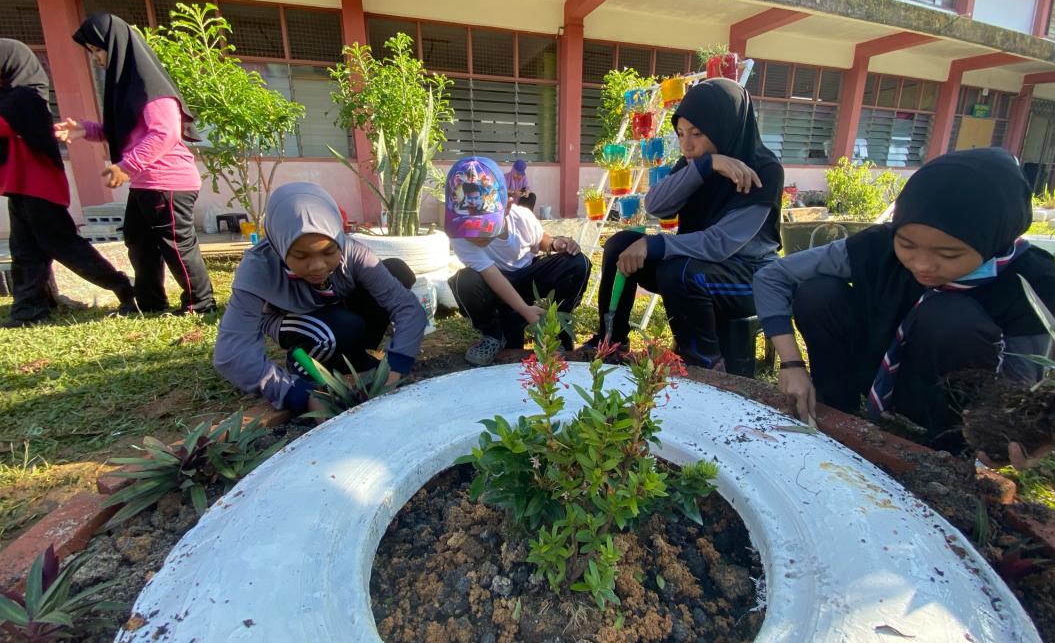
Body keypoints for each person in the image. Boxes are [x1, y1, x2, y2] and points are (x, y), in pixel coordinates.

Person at [754, 147, 1055, 452]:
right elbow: (772, 276)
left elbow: (1022, 379)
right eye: (906, 245)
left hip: (947, 395)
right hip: (871, 363)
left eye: (948, 254)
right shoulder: (879, 245)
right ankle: (836, 410)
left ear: (995, 239)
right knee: (817, 292)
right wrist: (792, 364)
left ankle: (947, 444)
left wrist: (1003, 431)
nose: (922, 265)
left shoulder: (1032, 279)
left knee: (950, 316)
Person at [584, 78, 784, 369]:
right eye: (680, 134)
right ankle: (612, 342)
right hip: (700, 266)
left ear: (724, 126)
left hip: (750, 277)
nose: (687, 145)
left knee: (678, 271)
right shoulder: (696, 162)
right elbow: (655, 205)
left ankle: (705, 365)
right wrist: (706, 166)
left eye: (697, 134)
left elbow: (720, 244)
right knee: (620, 245)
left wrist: (656, 244)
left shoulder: (764, 169)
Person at [213, 182, 425, 413]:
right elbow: (232, 353)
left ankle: (354, 359)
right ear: (280, 245)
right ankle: (303, 365)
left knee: (396, 270)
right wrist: (296, 394)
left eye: (328, 252)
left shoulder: (353, 253)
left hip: (337, 310)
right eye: (301, 256)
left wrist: (395, 368)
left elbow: (408, 309)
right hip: (291, 318)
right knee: (338, 328)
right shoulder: (258, 268)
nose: (317, 266)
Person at [54, 13, 215, 314]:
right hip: (146, 183)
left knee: (176, 243)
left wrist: (125, 167)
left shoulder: (152, 89)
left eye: (98, 50)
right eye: (92, 52)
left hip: (168, 182)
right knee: (139, 241)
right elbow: (123, 132)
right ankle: (151, 303)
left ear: (116, 47)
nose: (96, 58)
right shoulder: (128, 89)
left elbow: (164, 133)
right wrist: (85, 130)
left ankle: (201, 303)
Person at [0, 38, 136, 327]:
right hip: (19, 185)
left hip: (39, 186)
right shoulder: (9, 96)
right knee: (25, 250)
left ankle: (122, 285)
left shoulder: (25, 96)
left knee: (65, 246)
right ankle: (29, 310)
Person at [445, 156, 590, 366]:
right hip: (496, 287)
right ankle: (494, 336)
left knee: (576, 263)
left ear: (506, 207)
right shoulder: (459, 236)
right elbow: (492, 275)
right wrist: (525, 311)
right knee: (464, 280)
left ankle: (554, 328)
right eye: (469, 226)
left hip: (528, 277)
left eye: (483, 226)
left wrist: (555, 243)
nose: (475, 237)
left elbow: (540, 239)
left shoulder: (521, 216)